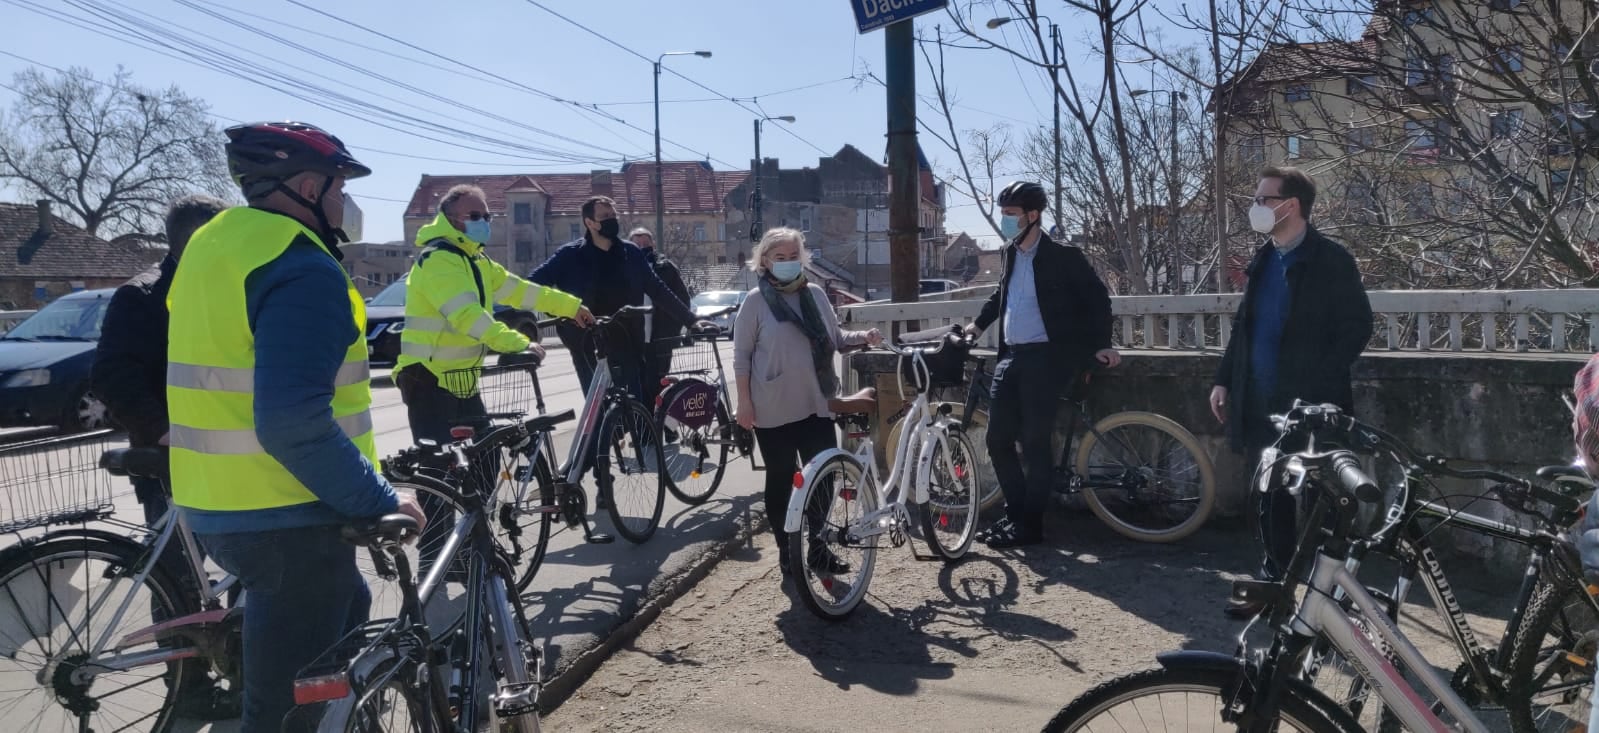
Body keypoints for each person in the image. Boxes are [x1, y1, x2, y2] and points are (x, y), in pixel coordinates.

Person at [165, 121, 426, 732]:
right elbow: (291, 421)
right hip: (287, 515)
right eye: (341, 187)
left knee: (347, 619)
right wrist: (381, 499)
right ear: (309, 186)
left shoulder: (213, 245)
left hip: (219, 503)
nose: (346, 203)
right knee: (285, 714)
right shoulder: (299, 265)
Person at [91, 193, 235, 720]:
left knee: (232, 569)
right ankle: (189, 687)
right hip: (170, 458)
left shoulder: (220, 286)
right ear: (197, 240)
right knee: (175, 573)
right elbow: (112, 374)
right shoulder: (144, 295)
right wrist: (162, 431)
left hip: (230, 454)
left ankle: (238, 666)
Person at [1212, 166, 1372, 618]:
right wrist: (1224, 379)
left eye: (1264, 198)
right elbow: (1245, 327)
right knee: (1270, 498)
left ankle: (1327, 603)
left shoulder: (1331, 259)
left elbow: (1357, 326)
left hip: (1314, 408)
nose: (1256, 207)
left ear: (1291, 205)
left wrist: (1317, 384)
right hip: (1262, 400)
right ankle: (1275, 589)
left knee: (1323, 504)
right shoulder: (1265, 258)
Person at [964, 181, 1119, 549]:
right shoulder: (1009, 254)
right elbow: (1001, 295)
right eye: (1003, 214)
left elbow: (1098, 300)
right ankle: (1016, 516)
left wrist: (1102, 345)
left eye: (1012, 215)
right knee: (998, 439)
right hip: (1012, 356)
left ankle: (1031, 526)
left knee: (1034, 443)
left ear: (1033, 216)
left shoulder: (1064, 256)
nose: (1005, 221)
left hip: (1046, 359)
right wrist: (977, 326)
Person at [395, 183, 593, 446]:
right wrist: (519, 343)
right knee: (443, 473)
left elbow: (522, 291)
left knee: (484, 463)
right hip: (428, 380)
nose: (484, 222)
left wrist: (572, 307)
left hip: (461, 379)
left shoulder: (477, 260)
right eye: (475, 217)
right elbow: (467, 316)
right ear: (451, 220)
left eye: (487, 216)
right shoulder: (440, 260)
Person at [733, 227, 880, 576]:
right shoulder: (755, 301)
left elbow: (836, 338)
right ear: (765, 261)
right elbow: (741, 356)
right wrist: (744, 403)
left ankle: (817, 548)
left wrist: (866, 337)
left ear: (802, 258)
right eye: (778, 257)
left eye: (792, 256)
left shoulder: (814, 294)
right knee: (782, 478)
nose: (786, 263)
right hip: (772, 405)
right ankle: (788, 551)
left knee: (822, 480)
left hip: (816, 402)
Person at [527, 196, 712, 398]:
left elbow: (657, 289)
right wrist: (565, 310)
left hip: (627, 342)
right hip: (587, 345)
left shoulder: (630, 253)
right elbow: (533, 285)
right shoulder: (569, 255)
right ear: (589, 223)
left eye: (614, 215)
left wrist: (691, 320)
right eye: (605, 216)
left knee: (635, 409)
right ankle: (603, 428)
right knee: (599, 413)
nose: (611, 220)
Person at [629, 226, 693, 405]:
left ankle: (665, 424)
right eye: (637, 243)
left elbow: (682, 299)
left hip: (661, 337)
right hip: (636, 338)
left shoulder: (666, 267)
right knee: (639, 385)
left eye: (645, 243)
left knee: (659, 384)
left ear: (653, 244)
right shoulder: (624, 268)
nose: (642, 247)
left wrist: (675, 327)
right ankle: (645, 424)